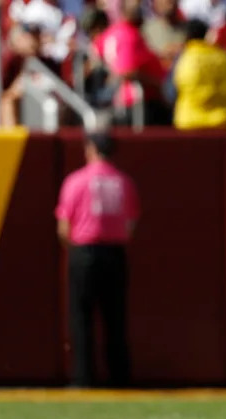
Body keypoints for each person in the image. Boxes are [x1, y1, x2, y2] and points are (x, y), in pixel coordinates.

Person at [56, 132, 139, 388]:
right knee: (115, 317)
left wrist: (75, 248)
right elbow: (130, 224)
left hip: (84, 252)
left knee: (81, 318)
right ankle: (119, 377)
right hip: (114, 252)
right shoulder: (123, 182)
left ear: (90, 149)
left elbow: (64, 226)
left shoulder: (76, 181)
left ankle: (83, 377)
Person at [172, 19, 226, 129]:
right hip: (221, 120)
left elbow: (171, 91)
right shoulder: (223, 57)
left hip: (190, 122)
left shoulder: (185, 57)